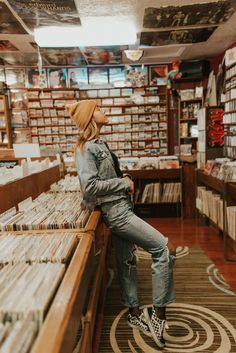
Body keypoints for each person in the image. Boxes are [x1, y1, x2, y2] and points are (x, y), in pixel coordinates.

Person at [66, 100, 176, 348]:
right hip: (117, 213)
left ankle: (134, 314)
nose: (104, 110)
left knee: (127, 261)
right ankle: (159, 316)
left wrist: (122, 179)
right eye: (98, 108)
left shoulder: (98, 144)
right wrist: (124, 183)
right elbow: (90, 188)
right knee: (163, 250)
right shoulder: (85, 149)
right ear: (90, 116)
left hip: (122, 208)